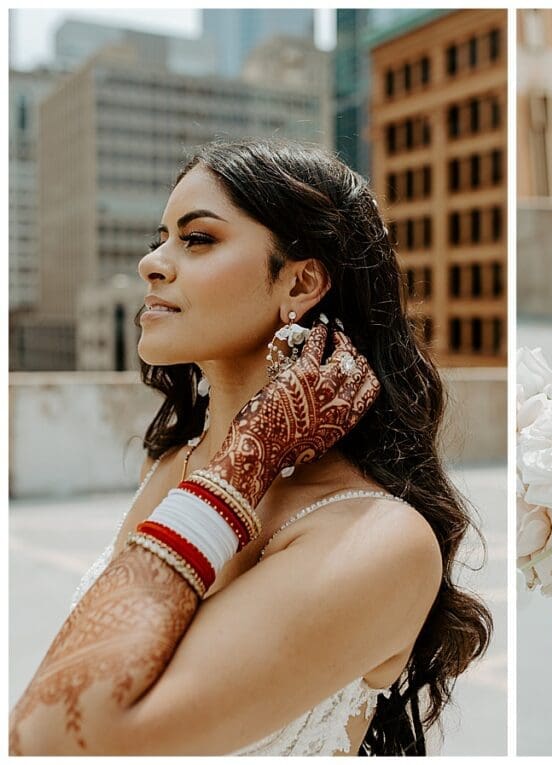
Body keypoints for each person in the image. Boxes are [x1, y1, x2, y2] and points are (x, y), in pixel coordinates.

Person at [10, 139, 492, 755]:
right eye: (161, 237)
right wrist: (241, 458)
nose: (151, 263)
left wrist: (249, 461)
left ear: (301, 282)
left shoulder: (381, 538)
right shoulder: (173, 465)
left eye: (198, 238)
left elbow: (51, 739)